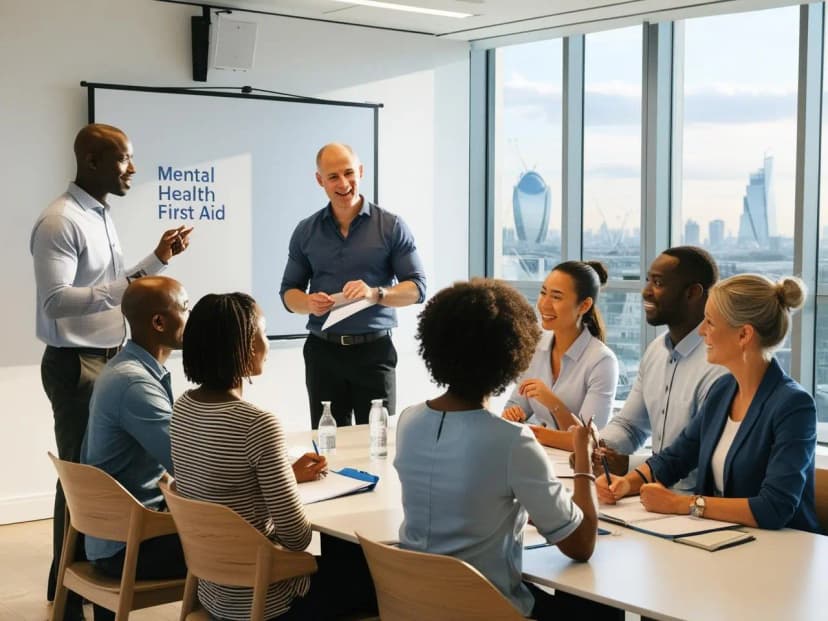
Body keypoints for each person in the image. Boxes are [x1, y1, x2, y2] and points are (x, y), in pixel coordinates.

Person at [30, 123, 192, 618]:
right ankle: (71, 587)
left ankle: (86, 579)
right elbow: (56, 302)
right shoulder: (60, 221)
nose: (133, 169)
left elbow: (113, 283)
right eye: (124, 159)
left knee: (99, 473)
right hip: (75, 362)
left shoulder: (101, 216)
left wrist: (156, 260)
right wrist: (125, 292)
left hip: (107, 354)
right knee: (83, 478)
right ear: (92, 160)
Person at [394, 279, 622, 620]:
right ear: (514, 353)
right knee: (601, 606)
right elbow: (581, 545)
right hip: (484, 608)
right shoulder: (513, 441)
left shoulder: (408, 422)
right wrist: (584, 465)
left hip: (416, 602)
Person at [597, 274, 821, 533]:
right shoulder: (723, 390)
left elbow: (774, 508)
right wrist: (626, 484)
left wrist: (684, 504)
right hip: (723, 540)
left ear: (744, 335)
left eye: (710, 322)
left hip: (782, 553)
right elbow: (675, 458)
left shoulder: (793, 406)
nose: (702, 330)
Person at [170, 293, 329, 620]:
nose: (268, 345)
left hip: (214, 592)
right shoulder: (257, 424)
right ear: (244, 346)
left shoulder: (183, 408)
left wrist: (283, 475)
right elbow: (297, 538)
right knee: (370, 568)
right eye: (264, 333)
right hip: (267, 597)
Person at [279, 143, 426, 428]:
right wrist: (308, 302)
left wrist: (376, 293)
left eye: (349, 173)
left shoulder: (391, 226)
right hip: (323, 353)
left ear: (360, 171)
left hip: (374, 353)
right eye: (333, 176)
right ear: (320, 180)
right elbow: (288, 293)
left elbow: (417, 288)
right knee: (328, 442)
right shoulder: (305, 231)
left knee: (377, 441)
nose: (343, 183)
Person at [81, 276, 190, 621]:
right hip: (129, 546)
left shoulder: (129, 370)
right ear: (159, 322)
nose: (191, 317)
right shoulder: (135, 384)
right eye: (185, 308)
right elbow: (187, 465)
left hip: (116, 535)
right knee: (240, 546)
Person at [595, 247, 726, 493]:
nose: (646, 291)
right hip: (652, 495)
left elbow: (702, 455)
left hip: (696, 505)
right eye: (647, 280)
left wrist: (627, 465)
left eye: (658, 282)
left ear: (693, 293)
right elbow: (630, 426)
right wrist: (601, 448)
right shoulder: (656, 349)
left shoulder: (719, 363)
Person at [502, 261, 618, 450]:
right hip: (534, 457)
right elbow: (513, 407)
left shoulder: (602, 361)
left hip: (575, 468)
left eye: (556, 297)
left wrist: (553, 403)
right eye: (543, 292)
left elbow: (588, 441)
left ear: (584, 305)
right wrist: (512, 415)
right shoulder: (535, 345)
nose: (544, 304)